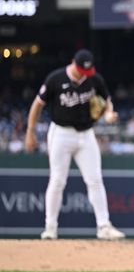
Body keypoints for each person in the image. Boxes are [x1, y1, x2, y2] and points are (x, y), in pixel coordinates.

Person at [24, 49, 126, 241]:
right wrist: (30, 131)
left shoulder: (94, 79)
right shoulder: (55, 79)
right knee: (57, 180)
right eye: (81, 70)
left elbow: (107, 102)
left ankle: (103, 226)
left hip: (86, 134)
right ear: (73, 63)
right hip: (61, 133)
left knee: (95, 179)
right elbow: (37, 104)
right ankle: (50, 228)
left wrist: (109, 113)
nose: (84, 74)